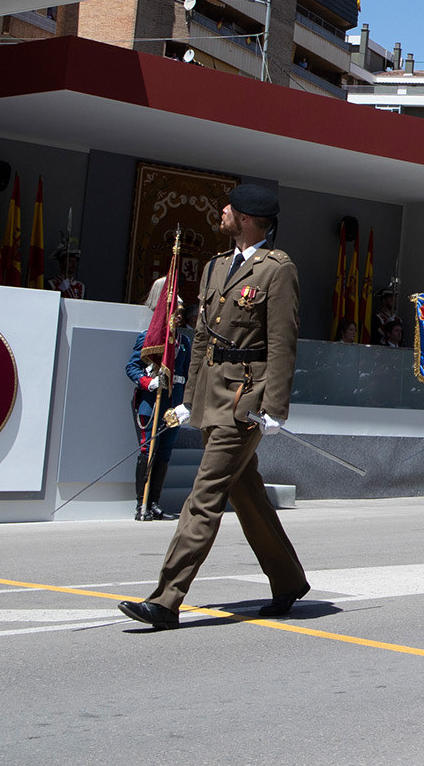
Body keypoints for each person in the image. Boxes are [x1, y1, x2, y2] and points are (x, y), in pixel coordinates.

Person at [119, 184, 309, 630]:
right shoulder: (216, 267)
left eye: (229, 208)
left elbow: (283, 342)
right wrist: (188, 401)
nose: (222, 212)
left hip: (247, 400)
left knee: (204, 498)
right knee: (246, 493)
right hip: (212, 396)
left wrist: (274, 407)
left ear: (244, 218)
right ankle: (289, 579)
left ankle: (166, 599)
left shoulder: (277, 270)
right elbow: (203, 337)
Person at [127, 276, 191, 522]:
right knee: (148, 451)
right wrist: (149, 383)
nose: (179, 316)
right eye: (176, 310)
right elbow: (131, 367)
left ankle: (154, 503)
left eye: (181, 311)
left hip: (173, 405)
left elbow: (185, 376)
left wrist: (184, 405)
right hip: (151, 403)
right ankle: (140, 504)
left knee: (164, 453)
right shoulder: (149, 339)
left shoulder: (183, 343)